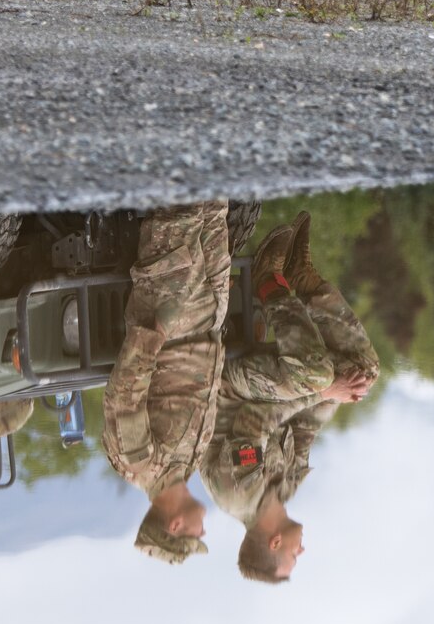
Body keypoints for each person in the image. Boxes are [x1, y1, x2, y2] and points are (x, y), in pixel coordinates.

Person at [201, 211, 379, 583]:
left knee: (316, 377)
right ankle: (304, 278)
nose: (302, 551)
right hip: (272, 388)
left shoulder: (238, 494)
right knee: (364, 372)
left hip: (229, 386)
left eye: (293, 557)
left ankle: (269, 281)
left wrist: (324, 390)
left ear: (275, 543)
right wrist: (342, 394)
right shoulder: (287, 488)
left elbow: (254, 418)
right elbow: (306, 426)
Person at [104, 200, 234, 564]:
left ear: (175, 526)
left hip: (172, 317)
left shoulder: (138, 464)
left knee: (181, 206)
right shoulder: (187, 463)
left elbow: (124, 396)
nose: (204, 529)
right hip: (207, 316)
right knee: (212, 205)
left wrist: (153, 334)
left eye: (197, 535)